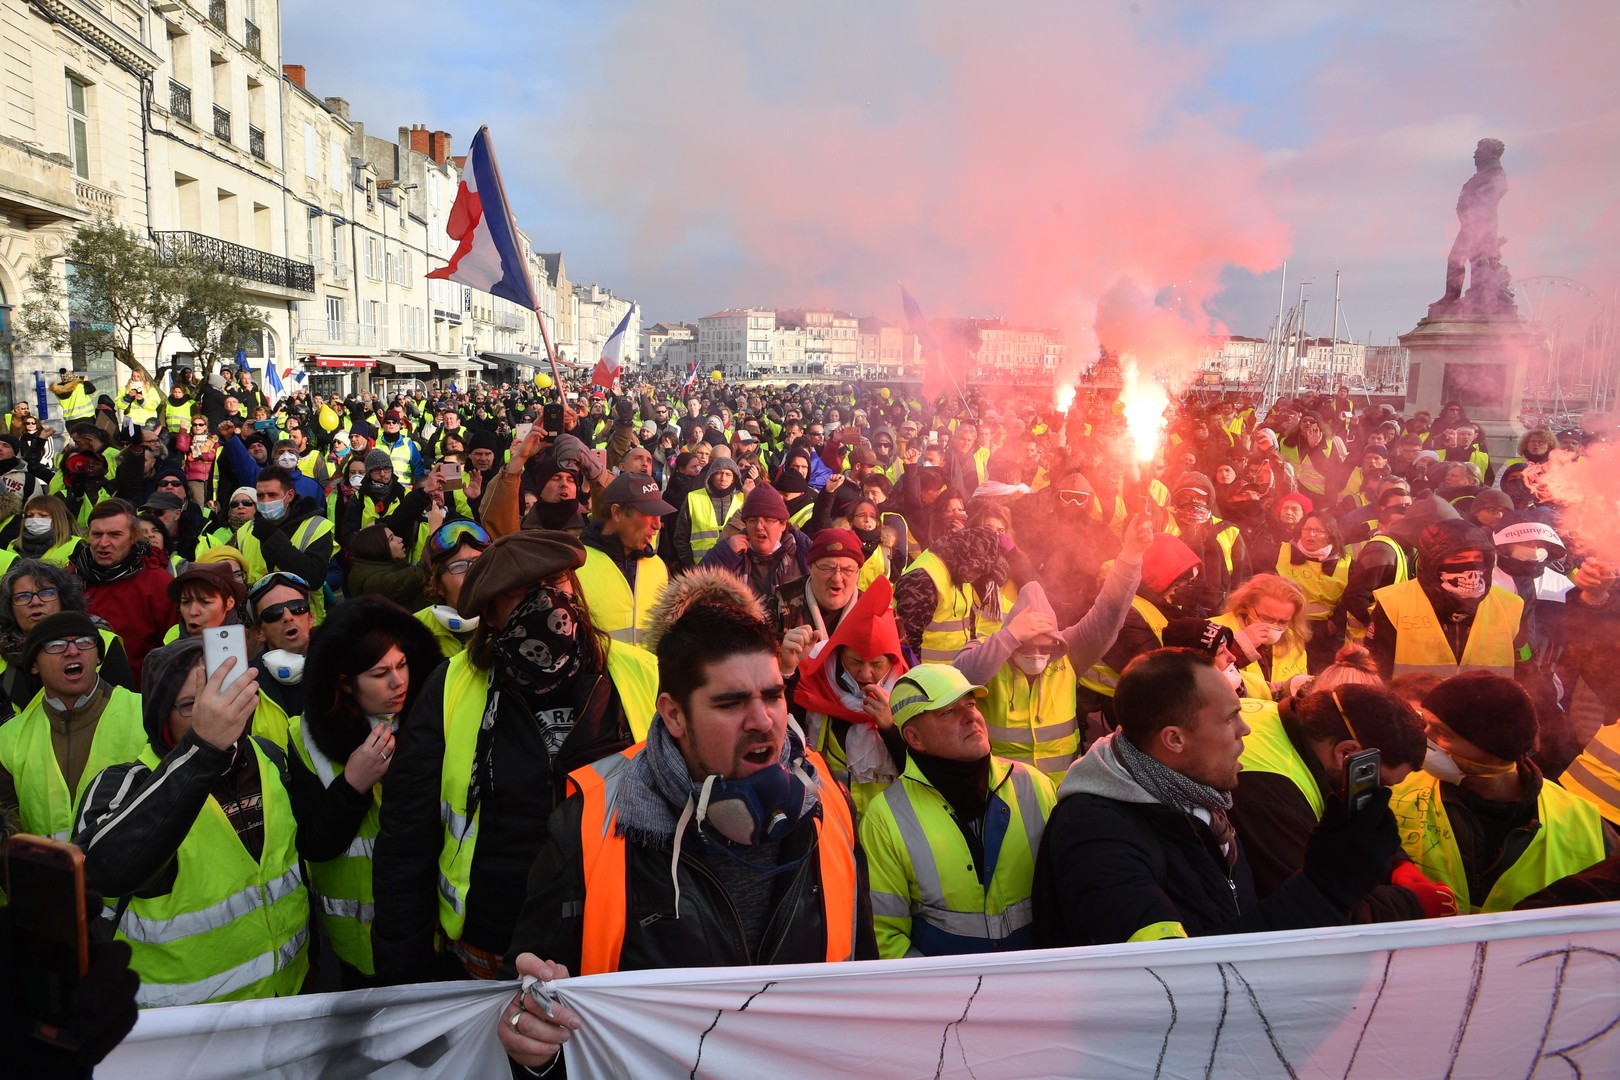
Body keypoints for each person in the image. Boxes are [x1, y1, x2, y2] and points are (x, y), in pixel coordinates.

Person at [497, 567, 871, 1073]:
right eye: (730, 702)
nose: (763, 721)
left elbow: (866, 980)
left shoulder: (830, 799)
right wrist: (531, 1047)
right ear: (673, 715)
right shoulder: (587, 826)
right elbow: (539, 1021)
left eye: (773, 695)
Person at [372, 531, 659, 985]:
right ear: (491, 613)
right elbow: (407, 837)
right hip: (493, 941)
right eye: (522, 595)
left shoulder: (641, 671)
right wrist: (404, 979)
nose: (548, 604)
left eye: (557, 585)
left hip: (622, 936)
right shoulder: (449, 687)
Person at [1033, 647, 1400, 946]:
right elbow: (1173, 976)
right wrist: (1325, 889)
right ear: (1174, 739)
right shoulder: (1097, 835)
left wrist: (1323, 861)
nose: (1246, 728)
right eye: (1229, 719)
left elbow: (1233, 920)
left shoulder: (1196, 796)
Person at [73, 638, 368, 1006]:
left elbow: (311, 848)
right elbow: (104, 870)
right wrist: (203, 748)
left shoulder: (270, 757)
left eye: (225, 696)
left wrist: (352, 788)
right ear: (160, 714)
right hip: (190, 1028)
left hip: (290, 996)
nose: (217, 713)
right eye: (189, 706)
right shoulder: (125, 783)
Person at [287, 596, 443, 987]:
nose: (398, 682)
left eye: (402, 665)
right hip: (359, 945)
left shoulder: (439, 719)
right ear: (345, 682)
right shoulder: (302, 737)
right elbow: (314, 843)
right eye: (379, 673)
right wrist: (353, 785)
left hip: (436, 932)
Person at [862, 663, 1055, 958]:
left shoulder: (1034, 786)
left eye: (970, 704)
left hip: (1040, 986)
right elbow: (884, 935)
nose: (972, 717)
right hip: (949, 996)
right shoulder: (885, 817)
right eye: (948, 712)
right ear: (914, 738)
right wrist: (943, 998)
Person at [1227, 684, 1455, 920]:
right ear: (1346, 753)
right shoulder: (1268, 795)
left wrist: (1396, 863)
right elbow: (1312, 904)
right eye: (1378, 782)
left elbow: (1338, 794)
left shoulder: (1277, 718)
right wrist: (1413, 904)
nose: (1375, 792)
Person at [1390, 672, 1609, 913]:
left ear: (1492, 750)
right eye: (1426, 724)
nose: (1425, 739)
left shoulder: (1589, 827)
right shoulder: (1396, 791)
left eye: (1442, 733)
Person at [954, 517, 1150, 779]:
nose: (1036, 654)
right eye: (1027, 645)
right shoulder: (991, 652)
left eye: (1044, 646)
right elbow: (961, 679)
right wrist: (1008, 637)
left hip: (1061, 794)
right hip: (1003, 794)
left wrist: (1130, 556)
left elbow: (1108, 613)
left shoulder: (1070, 652)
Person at [0, 612, 147, 840]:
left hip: (137, 871)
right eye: (56, 645)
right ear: (33, 665)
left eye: (85, 642)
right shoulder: (8, 739)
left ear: (98, 657)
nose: (73, 651)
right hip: (47, 872)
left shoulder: (145, 713)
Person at [1368, 520, 1523, 681]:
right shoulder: (1392, 604)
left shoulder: (1511, 605)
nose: (1472, 568)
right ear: (1431, 563)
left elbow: (1525, 667)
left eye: (1478, 557)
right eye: (1458, 558)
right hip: (1414, 705)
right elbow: (1376, 676)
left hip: (1490, 705)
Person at [0, 558, 135, 712]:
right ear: (9, 607)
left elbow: (125, 709)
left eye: (47, 592)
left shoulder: (100, 641)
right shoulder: (3, 650)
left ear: (63, 599)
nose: (35, 602)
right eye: (23, 596)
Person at [72, 499, 175, 686]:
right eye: (97, 534)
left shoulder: (158, 584)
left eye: (114, 534)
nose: (103, 543)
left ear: (134, 537)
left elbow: (173, 651)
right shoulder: (70, 578)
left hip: (135, 700)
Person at [575, 471, 672, 648]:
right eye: (649, 513)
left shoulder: (658, 567)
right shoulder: (577, 565)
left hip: (650, 675)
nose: (658, 525)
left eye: (660, 516)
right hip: (601, 675)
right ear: (617, 512)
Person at [701, 483, 812, 605]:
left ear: (783, 524)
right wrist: (724, 556)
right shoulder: (730, 553)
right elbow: (696, 592)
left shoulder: (803, 555)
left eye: (768, 520)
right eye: (753, 520)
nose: (759, 526)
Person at [238, 466, 334, 602]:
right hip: (259, 617)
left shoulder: (317, 527)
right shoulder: (245, 530)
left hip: (303, 615)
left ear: (289, 496)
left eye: (272, 495)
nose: (265, 501)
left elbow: (313, 578)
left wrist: (272, 538)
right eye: (260, 496)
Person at [1214, 575, 1311, 701]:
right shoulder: (1214, 630)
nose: (1274, 626)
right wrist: (1239, 646)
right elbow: (1201, 677)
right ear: (1247, 605)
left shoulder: (1293, 638)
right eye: (1267, 618)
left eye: (1283, 621)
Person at [414, 520, 491, 658]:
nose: (473, 573)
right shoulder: (412, 631)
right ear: (437, 585)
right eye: (459, 566)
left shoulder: (509, 624)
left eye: (479, 563)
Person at [248, 571, 317, 722]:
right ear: (259, 632)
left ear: (311, 619)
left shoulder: (348, 668)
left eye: (297, 607)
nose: (287, 617)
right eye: (273, 612)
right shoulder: (247, 691)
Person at [672, 457, 743, 570]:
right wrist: (690, 566)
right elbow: (681, 536)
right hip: (700, 569)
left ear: (734, 478)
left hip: (735, 569)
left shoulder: (743, 500)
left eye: (728, 474)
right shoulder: (693, 497)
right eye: (718, 473)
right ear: (711, 475)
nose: (723, 478)